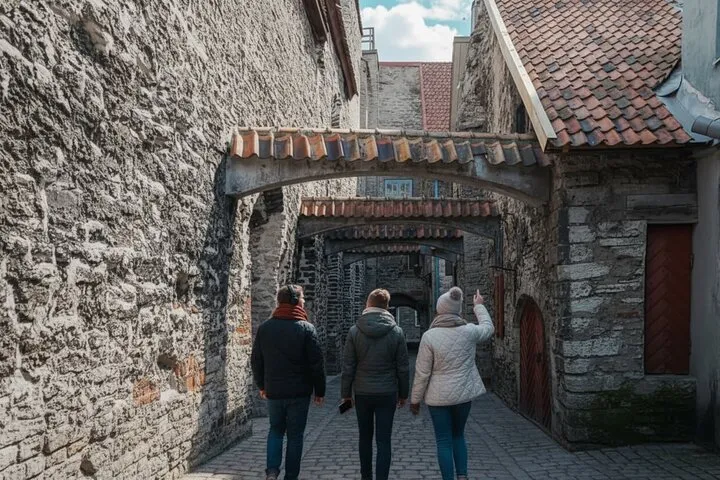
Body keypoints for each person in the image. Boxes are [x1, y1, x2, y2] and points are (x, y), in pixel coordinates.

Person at [410, 287, 494, 480]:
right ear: (456, 310)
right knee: (458, 435)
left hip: (438, 399)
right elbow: (488, 328)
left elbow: (422, 373)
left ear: (440, 310)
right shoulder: (469, 331)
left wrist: (415, 400)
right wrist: (479, 306)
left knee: (443, 440)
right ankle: (462, 476)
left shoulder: (429, 336)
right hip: (463, 396)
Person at [251, 285, 325, 480]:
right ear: (294, 301)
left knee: (275, 430)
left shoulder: (265, 328)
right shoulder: (306, 329)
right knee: (295, 435)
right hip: (299, 393)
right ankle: (291, 476)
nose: (304, 301)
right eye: (302, 298)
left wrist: (262, 386)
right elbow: (316, 363)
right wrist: (320, 391)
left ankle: (272, 471)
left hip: (274, 391)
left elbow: (256, 360)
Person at [341, 289, 410, 480]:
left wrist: (346, 394)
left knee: (364, 437)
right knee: (383, 440)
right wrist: (404, 393)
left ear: (367, 304)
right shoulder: (396, 332)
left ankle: (366, 476)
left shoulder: (355, 331)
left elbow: (348, 366)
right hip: (387, 392)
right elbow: (403, 367)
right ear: (387, 307)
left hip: (363, 392)